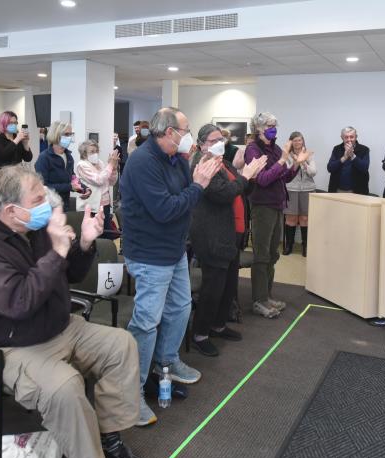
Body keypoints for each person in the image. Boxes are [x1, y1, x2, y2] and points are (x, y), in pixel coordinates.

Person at [0, 165, 152, 458]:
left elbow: (70, 274)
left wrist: (85, 243)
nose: (46, 202)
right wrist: (58, 251)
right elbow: (19, 302)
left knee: (122, 345)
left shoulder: (33, 228)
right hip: (10, 346)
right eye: (38, 198)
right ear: (11, 210)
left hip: (58, 326)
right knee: (64, 388)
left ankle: (109, 438)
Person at [120, 107, 221, 426]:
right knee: (146, 321)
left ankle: (167, 361)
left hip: (174, 249)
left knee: (179, 308)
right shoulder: (142, 162)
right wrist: (199, 186)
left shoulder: (175, 158)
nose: (189, 136)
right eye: (186, 130)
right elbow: (166, 208)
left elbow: (182, 197)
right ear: (168, 133)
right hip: (149, 254)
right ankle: (129, 394)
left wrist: (195, 184)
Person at [188, 124, 265, 356]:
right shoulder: (202, 164)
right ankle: (200, 334)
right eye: (213, 140)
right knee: (213, 288)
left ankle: (218, 325)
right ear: (202, 145)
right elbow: (223, 193)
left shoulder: (223, 161)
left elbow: (240, 189)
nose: (219, 143)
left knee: (228, 286)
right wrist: (245, 177)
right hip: (212, 235)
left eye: (221, 138)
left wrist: (249, 177)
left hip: (231, 234)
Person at [245, 112, 310, 318]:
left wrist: (296, 163)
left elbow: (285, 176)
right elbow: (262, 179)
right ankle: (259, 300)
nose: (274, 129)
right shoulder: (253, 149)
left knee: (273, 253)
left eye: (275, 125)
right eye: (270, 126)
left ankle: (267, 295)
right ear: (259, 128)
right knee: (262, 255)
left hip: (276, 205)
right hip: (262, 207)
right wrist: (282, 160)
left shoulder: (274, 148)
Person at [36, 120, 88, 212]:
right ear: (56, 134)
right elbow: (43, 187)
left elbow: (72, 178)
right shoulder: (44, 158)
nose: (69, 137)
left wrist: (84, 188)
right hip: (49, 208)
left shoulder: (69, 156)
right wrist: (69, 187)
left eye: (70, 134)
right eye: (66, 134)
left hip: (65, 206)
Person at [283, 131, 317, 256]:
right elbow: (286, 172)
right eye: (295, 140)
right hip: (291, 189)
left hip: (307, 189)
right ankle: (289, 245)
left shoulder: (308, 155)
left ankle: (305, 246)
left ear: (303, 141)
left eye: (300, 140)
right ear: (291, 142)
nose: (297, 142)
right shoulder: (286, 155)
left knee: (305, 218)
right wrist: (295, 162)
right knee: (291, 218)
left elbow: (313, 172)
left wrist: (303, 161)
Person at [74, 140, 119, 236]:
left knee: (106, 234)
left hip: (105, 204)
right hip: (93, 207)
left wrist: (114, 168)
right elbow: (99, 180)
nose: (95, 154)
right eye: (92, 151)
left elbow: (111, 182)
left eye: (96, 151)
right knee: (95, 235)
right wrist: (110, 165)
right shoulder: (82, 165)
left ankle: (106, 250)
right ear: (84, 154)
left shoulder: (100, 163)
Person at [327, 126, 370, 195]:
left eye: (351, 137)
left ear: (356, 137)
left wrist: (352, 155)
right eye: (346, 137)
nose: (349, 139)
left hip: (358, 191)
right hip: (337, 190)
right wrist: (344, 158)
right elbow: (330, 168)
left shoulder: (364, 149)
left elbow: (364, 168)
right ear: (342, 138)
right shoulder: (336, 149)